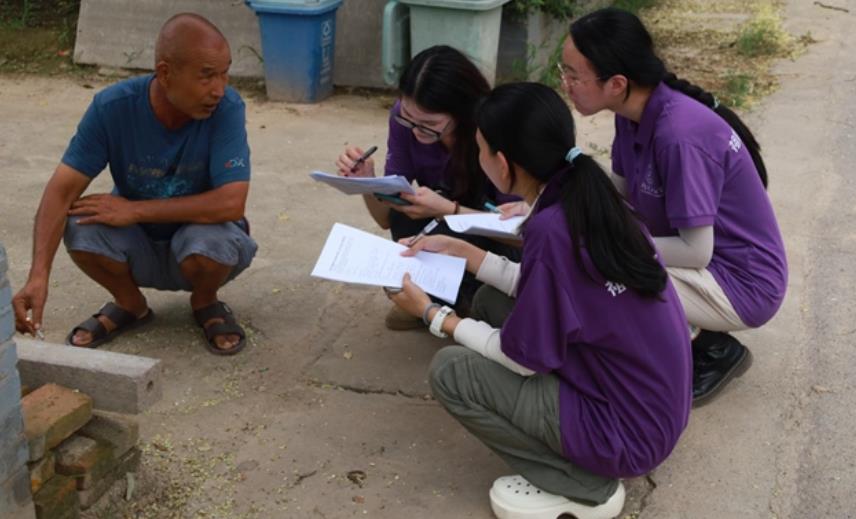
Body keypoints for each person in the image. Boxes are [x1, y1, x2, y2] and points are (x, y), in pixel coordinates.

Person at [386, 83, 691, 519]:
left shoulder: (551, 227)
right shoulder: (586, 195)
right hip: (651, 407)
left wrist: (434, 315)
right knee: (491, 301)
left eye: (481, 149)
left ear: (504, 164)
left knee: (453, 372)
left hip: (626, 434)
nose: (478, 157)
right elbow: (554, 285)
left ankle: (582, 484)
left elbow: (520, 359)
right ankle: (577, 446)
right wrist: (467, 253)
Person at [560, 7, 787, 404]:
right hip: (713, 263)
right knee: (595, 250)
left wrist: (606, 242)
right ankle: (684, 335)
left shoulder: (678, 136)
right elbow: (619, 194)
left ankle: (711, 349)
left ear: (616, 83)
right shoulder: (631, 112)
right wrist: (554, 210)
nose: (566, 84)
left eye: (573, 75)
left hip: (742, 283)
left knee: (605, 269)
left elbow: (697, 252)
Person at [12, 13, 257, 355]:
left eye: (224, 72)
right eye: (206, 76)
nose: (219, 88)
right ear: (165, 73)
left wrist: (134, 209)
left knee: (212, 244)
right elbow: (60, 191)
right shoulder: (113, 107)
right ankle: (130, 304)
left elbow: (232, 203)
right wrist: (38, 275)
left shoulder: (227, 108)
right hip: (137, 242)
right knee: (79, 224)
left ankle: (205, 301)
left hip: (199, 241)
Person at [336, 45, 519, 329]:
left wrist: (451, 210)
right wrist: (367, 182)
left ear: (463, 112)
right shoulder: (406, 119)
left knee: (492, 301)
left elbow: (522, 233)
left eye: (430, 124)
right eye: (408, 118)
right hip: (443, 221)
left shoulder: (496, 129)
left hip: (497, 242)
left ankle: (463, 309)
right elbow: (386, 218)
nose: (417, 130)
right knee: (404, 208)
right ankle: (437, 301)